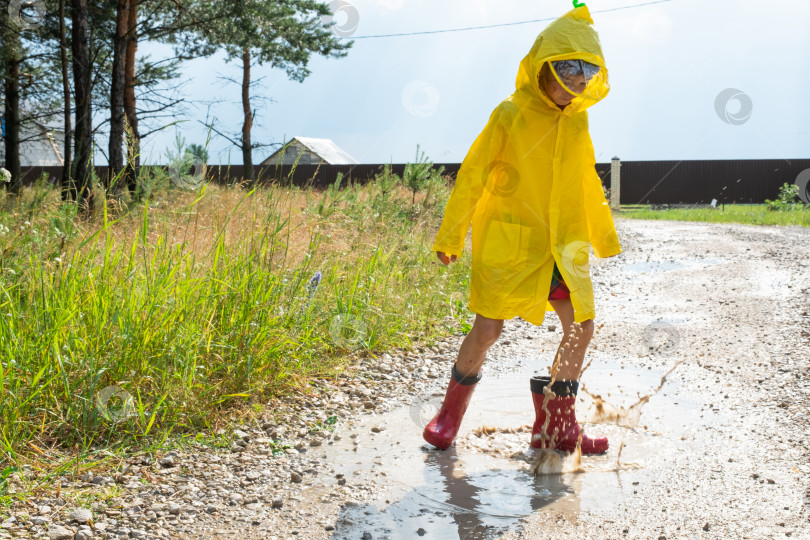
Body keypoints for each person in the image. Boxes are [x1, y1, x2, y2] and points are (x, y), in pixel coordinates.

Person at [424, 4, 622, 455]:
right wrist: (451, 235)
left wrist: (603, 236)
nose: (577, 79)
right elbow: (473, 173)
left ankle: (555, 424)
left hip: (564, 244)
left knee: (581, 326)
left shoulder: (578, 120)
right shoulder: (510, 114)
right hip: (512, 240)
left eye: (587, 70)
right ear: (543, 66)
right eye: (568, 67)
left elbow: (586, 176)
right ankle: (450, 413)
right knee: (489, 328)